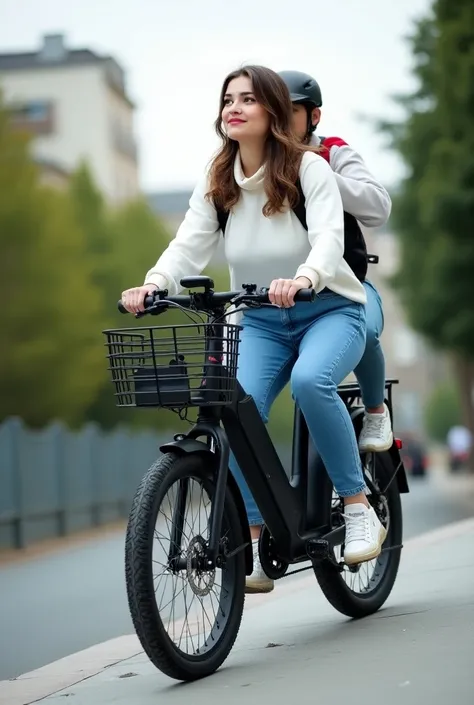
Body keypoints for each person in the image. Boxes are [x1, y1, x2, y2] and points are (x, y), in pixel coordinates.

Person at [121, 65, 387, 594]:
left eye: (247, 98)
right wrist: (153, 283)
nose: (233, 108)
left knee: (314, 383)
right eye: (227, 100)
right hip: (260, 319)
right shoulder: (218, 177)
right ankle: (255, 532)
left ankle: (357, 506)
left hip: (329, 307)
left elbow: (330, 238)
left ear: (271, 110)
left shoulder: (308, 167)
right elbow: (189, 241)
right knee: (235, 408)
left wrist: (306, 277)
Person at [279, 70, 393, 455]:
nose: (281, 119)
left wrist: (318, 174)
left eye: (291, 110)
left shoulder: (333, 152)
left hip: (348, 290)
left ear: (314, 116)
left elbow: (378, 208)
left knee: (366, 330)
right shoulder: (260, 162)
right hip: (284, 302)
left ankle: (376, 410)